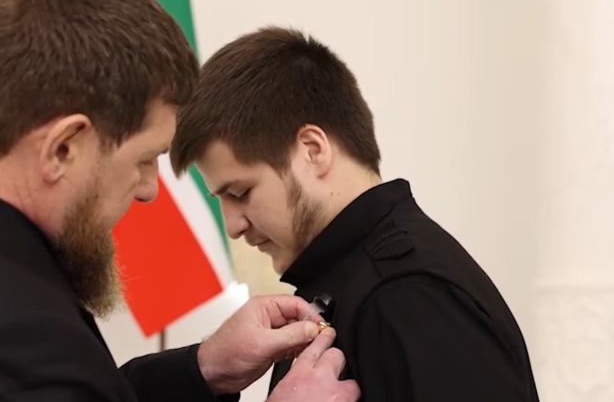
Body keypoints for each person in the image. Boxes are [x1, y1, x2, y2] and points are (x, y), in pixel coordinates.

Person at [0, 0, 361, 402]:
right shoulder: (15, 342)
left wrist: (201, 369)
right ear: (64, 147)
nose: (149, 189)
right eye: (144, 159)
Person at [169, 26, 540, 402]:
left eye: (241, 193)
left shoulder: (408, 296)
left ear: (312, 150)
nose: (233, 226)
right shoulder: (351, 283)